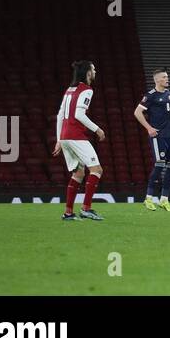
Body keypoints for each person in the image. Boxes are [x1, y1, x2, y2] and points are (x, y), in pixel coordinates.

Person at [53, 60, 105, 221]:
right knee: (96, 170)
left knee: (78, 173)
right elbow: (79, 115)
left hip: (65, 137)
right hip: (76, 136)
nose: (95, 72)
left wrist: (59, 139)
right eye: (94, 69)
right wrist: (97, 129)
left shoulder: (69, 90)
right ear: (88, 73)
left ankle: (68, 213)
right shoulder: (87, 90)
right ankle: (86, 208)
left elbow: (60, 115)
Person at [135, 68, 170, 212]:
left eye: (167, 77)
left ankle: (164, 200)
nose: (167, 79)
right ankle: (148, 199)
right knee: (159, 165)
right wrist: (149, 128)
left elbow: (167, 108)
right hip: (157, 135)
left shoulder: (168, 93)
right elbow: (137, 112)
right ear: (157, 80)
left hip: (169, 135)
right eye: (165, 77)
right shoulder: (150, 95)